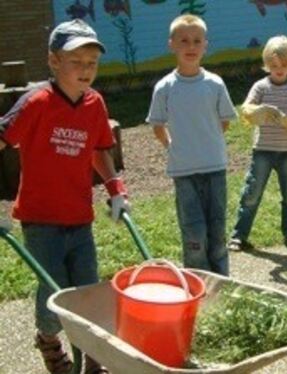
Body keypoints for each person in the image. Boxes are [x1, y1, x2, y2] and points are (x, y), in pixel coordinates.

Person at [0, 19, 130, 374]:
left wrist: (115, 189)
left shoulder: (95, 104)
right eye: (76, 61)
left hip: (79, 217)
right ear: (54, 61)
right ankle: (48, 338)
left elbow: (99, 150)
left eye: (92, 62)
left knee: (87, 292)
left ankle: (92, 358)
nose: (86, 69)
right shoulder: (36, 103)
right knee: (53, 293)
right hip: (41, 219)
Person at [146, 14, 237, 274]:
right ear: (171, 44)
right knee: (194, 231)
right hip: (183, 172)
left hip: (215, 167)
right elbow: (158, 126)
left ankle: (222, 282)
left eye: (197, 40)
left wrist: (207, 141)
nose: (191, 46)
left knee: (217, 229)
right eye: (183, 40)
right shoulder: (164, 87)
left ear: (205, 45)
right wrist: (174, 146)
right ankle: (198, 281)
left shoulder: (215, 83)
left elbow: (224, 122)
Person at [228, 35, 287, 252]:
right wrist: (259, 110)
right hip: (262, 149)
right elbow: (245, 110)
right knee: (252, 193)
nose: (279, 69)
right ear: (266, 65)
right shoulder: (260, 87)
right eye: (273, 66)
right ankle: (239, 235)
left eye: (283, 65)